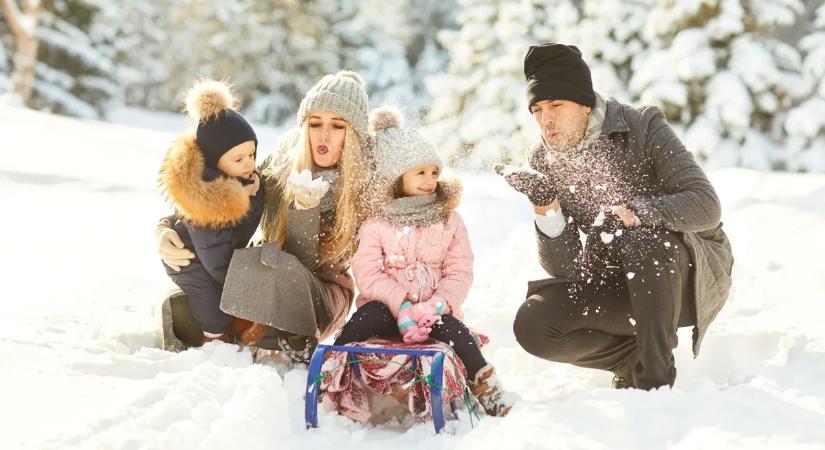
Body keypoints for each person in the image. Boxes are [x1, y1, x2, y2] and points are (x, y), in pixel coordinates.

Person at [503, 43, 733, 390]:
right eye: (536, 109)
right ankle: (631, 360)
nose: (545, 120)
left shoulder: (642, 126)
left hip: (683, 279)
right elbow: (565, 270)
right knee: (534, 322)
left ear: (584, 103)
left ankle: (654, 380)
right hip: (620, 287)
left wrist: (638, 213)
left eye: (555, 105)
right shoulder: (545, 159)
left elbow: (706, 204)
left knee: (639, 238)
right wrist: (545, 204)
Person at [157, 71, 372, 362]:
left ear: (355, 133)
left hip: (318, 296)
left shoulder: (363, 187)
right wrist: (167, 228)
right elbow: (218, 195)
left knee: (269, 266)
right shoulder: (282, 168)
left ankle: (270, 331)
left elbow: (305, 261)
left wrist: (304, 213)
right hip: (265, 274)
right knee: (221, 277)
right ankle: (220, 324)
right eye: (315, 123)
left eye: (337, 126)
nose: (323, 135)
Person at [333, 107, 513, 416]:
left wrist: (438, 304)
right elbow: (368, 273)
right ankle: (333, 370)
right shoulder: (377, 224)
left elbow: (460, 269)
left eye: (434, 172)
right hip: (390, 309)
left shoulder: (449, 220)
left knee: (457, 333)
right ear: (397, 177)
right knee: (365, 317)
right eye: (420, 172)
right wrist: (401, 304)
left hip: (433, 311)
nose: (430, 180)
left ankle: (485, 383)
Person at [158, 79, 263, 344]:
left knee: (227, 297)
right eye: (238, 159)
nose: (249, 163)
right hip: (190, 259)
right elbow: (218, 262)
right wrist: (247, 286)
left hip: (217, 255)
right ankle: (212, 340)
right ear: (214, 165)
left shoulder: (246, 182)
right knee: (213, 309)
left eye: (251, 154)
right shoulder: (207, 205)